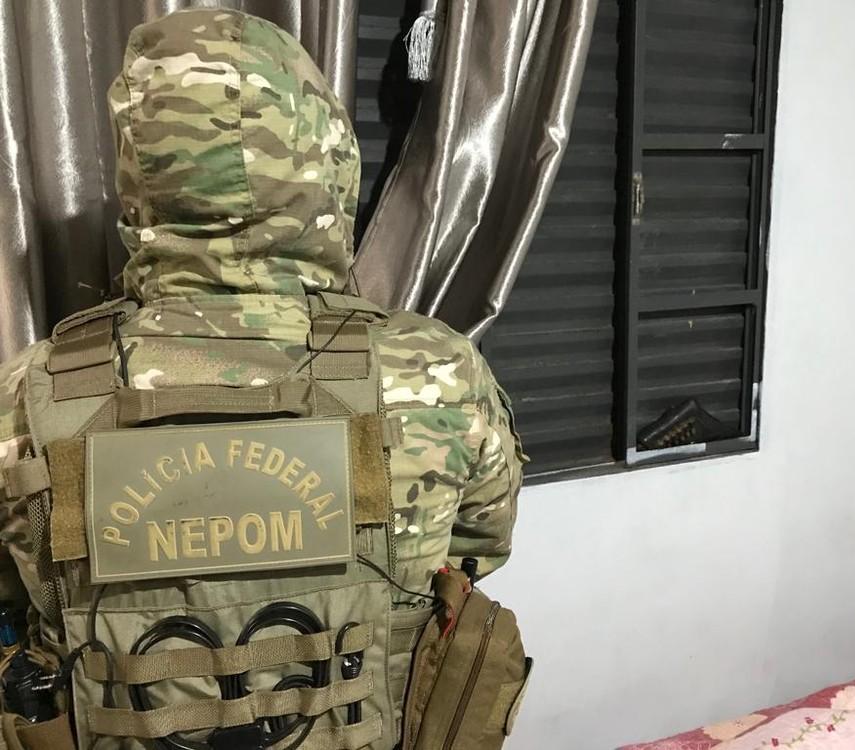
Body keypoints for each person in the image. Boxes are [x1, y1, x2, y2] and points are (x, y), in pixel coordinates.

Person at [0, 8, 524, 748]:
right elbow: (478, 547)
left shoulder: (30, 392)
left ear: (141, 177)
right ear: (327, 167)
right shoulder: (436, 370)